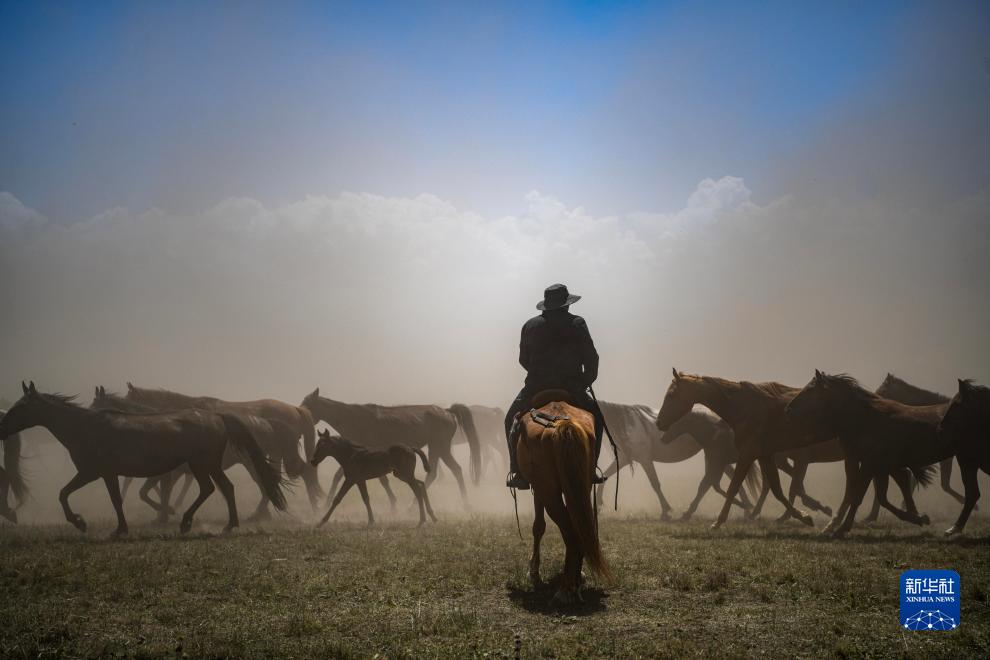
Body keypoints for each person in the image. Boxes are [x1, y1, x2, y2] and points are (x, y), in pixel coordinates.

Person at [504, 283, 605, 489]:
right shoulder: (577, 323)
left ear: (546, 306)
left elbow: (523, 360)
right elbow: (592, 359)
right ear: (567, 305)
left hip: (535, 387)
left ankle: (517, 471)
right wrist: (584, 382)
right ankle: (592, 468)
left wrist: (539, 375)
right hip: (572, 387)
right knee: (598, 419)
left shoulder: (530, 325)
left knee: (509, 421)